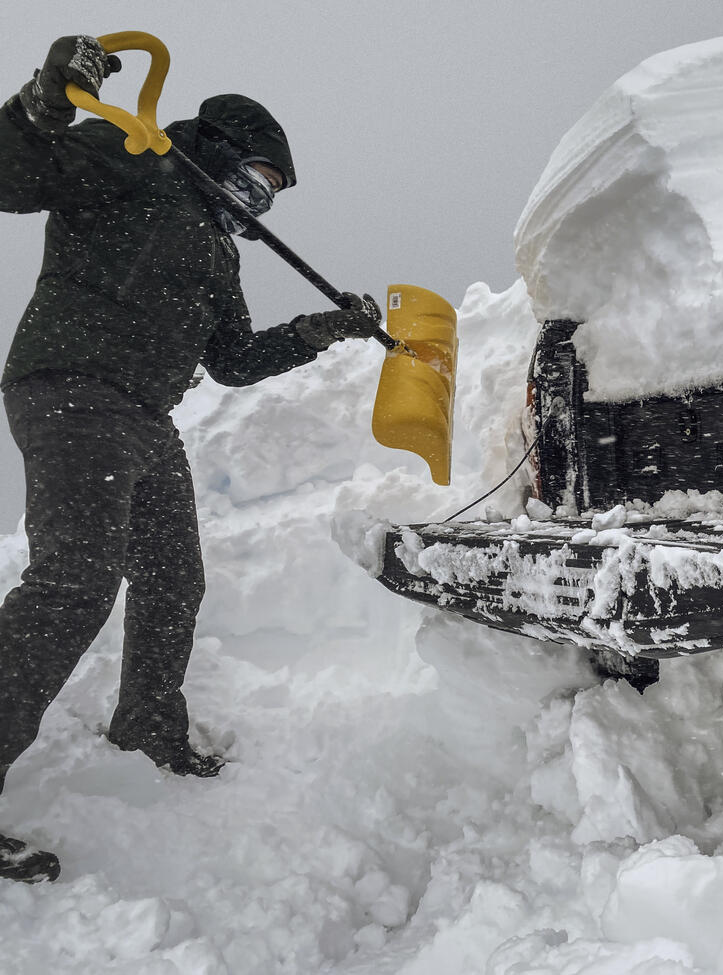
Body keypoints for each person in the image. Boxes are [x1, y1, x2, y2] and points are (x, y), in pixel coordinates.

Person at [0, 36, 381, 883]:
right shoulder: (130, 155)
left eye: (268, 199)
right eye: (250, 182)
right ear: (212, 153)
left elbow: (235, 359)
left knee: (175, 576)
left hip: (144, 415)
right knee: (74, 583)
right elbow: (11, 177)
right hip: (74, 388)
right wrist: (46, 100)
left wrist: (322, 331)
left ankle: (148, 727)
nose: (254, 206)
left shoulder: (217, 252)